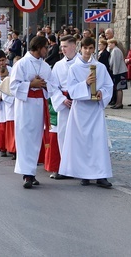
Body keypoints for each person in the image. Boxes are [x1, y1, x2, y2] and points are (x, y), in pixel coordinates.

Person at [59, 37, 114, 188]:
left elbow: (109, 85)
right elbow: (71, 89)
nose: (88, 51)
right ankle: (84, 174)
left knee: (98, 141)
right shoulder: (74, 68)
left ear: (94, 49)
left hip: (95, 109)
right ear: (80, 49)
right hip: (80, 109)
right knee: (81, 143)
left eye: (91, 48)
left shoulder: (100, 67)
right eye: (85, 48)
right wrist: (85, 84)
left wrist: (102, 92)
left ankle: (101, 175)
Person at [9, 35, 52, 189]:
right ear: (38, 47)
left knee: (35, 139)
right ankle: (26, 174)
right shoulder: (21, 64)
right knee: (25, 138)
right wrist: (30, 84)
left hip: (39, 105)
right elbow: (13, 86)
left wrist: (44, 85)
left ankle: (32, 172)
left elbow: (52, 86)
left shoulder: (46, 66)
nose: (47, 50)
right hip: (25, 106)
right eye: (45, 47)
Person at [46, 35, 77, 180]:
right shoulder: (58, 66)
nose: (62, 49)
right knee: (63, 135)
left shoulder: (82, 63)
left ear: (74, 46)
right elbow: (53, 86)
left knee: (79, 136)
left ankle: (79, 168)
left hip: (79, 103)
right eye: (61, 46)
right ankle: (63, 168)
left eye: (65, 46)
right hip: (64, 103)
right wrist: (62, 99)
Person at [107, 38, 128, 109]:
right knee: (118, 88)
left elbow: (116, 63)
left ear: (114, 44)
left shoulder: (115, 51)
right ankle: (117, 103)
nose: (109, 45)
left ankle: (119, 103)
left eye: (110, 43)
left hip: (119, 72)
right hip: (119, 71)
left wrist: (115, 73)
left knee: (119, 88)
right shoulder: (114, 50)